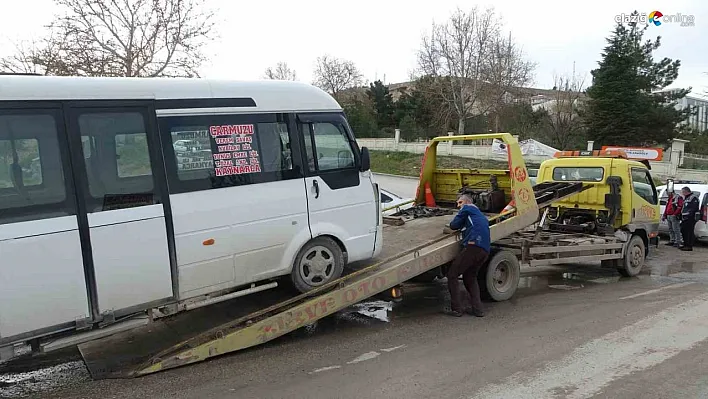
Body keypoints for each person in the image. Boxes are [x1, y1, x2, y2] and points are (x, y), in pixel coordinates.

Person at [442, 194, 491, 317]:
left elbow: (454, 225)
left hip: (473, 247)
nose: (458, 205)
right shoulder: (481, 215)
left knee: (452, 275)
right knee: (470, 277)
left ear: (466, 202)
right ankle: (478, 309)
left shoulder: (467, 208)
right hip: (484, 250)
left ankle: (456, 309)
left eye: (459, 202)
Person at [679, 186, 700, 251]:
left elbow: (693, 209)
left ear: (686, 191)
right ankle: (685, 244)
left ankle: (689, 246)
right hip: (685, 218)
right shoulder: (687, 197)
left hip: (690, 218)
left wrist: (687, 216)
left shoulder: (693, 198)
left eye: (682, 192)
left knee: (689, 232)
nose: (682, 193)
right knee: (683, 230)